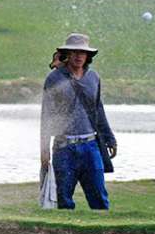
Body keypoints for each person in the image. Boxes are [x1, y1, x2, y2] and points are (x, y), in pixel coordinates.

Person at [40, 33, 117, 210]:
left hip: (91, 146)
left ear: (88, 55)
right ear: (67, 54)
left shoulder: (93, 78)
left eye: (82, 52)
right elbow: (46, 117)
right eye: (74, 52)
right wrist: (44, 150)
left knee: (99, 198)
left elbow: (98, 110)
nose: (78, 56)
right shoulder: (54, 79)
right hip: (63, 147)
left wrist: (109, 138)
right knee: (63, 199)